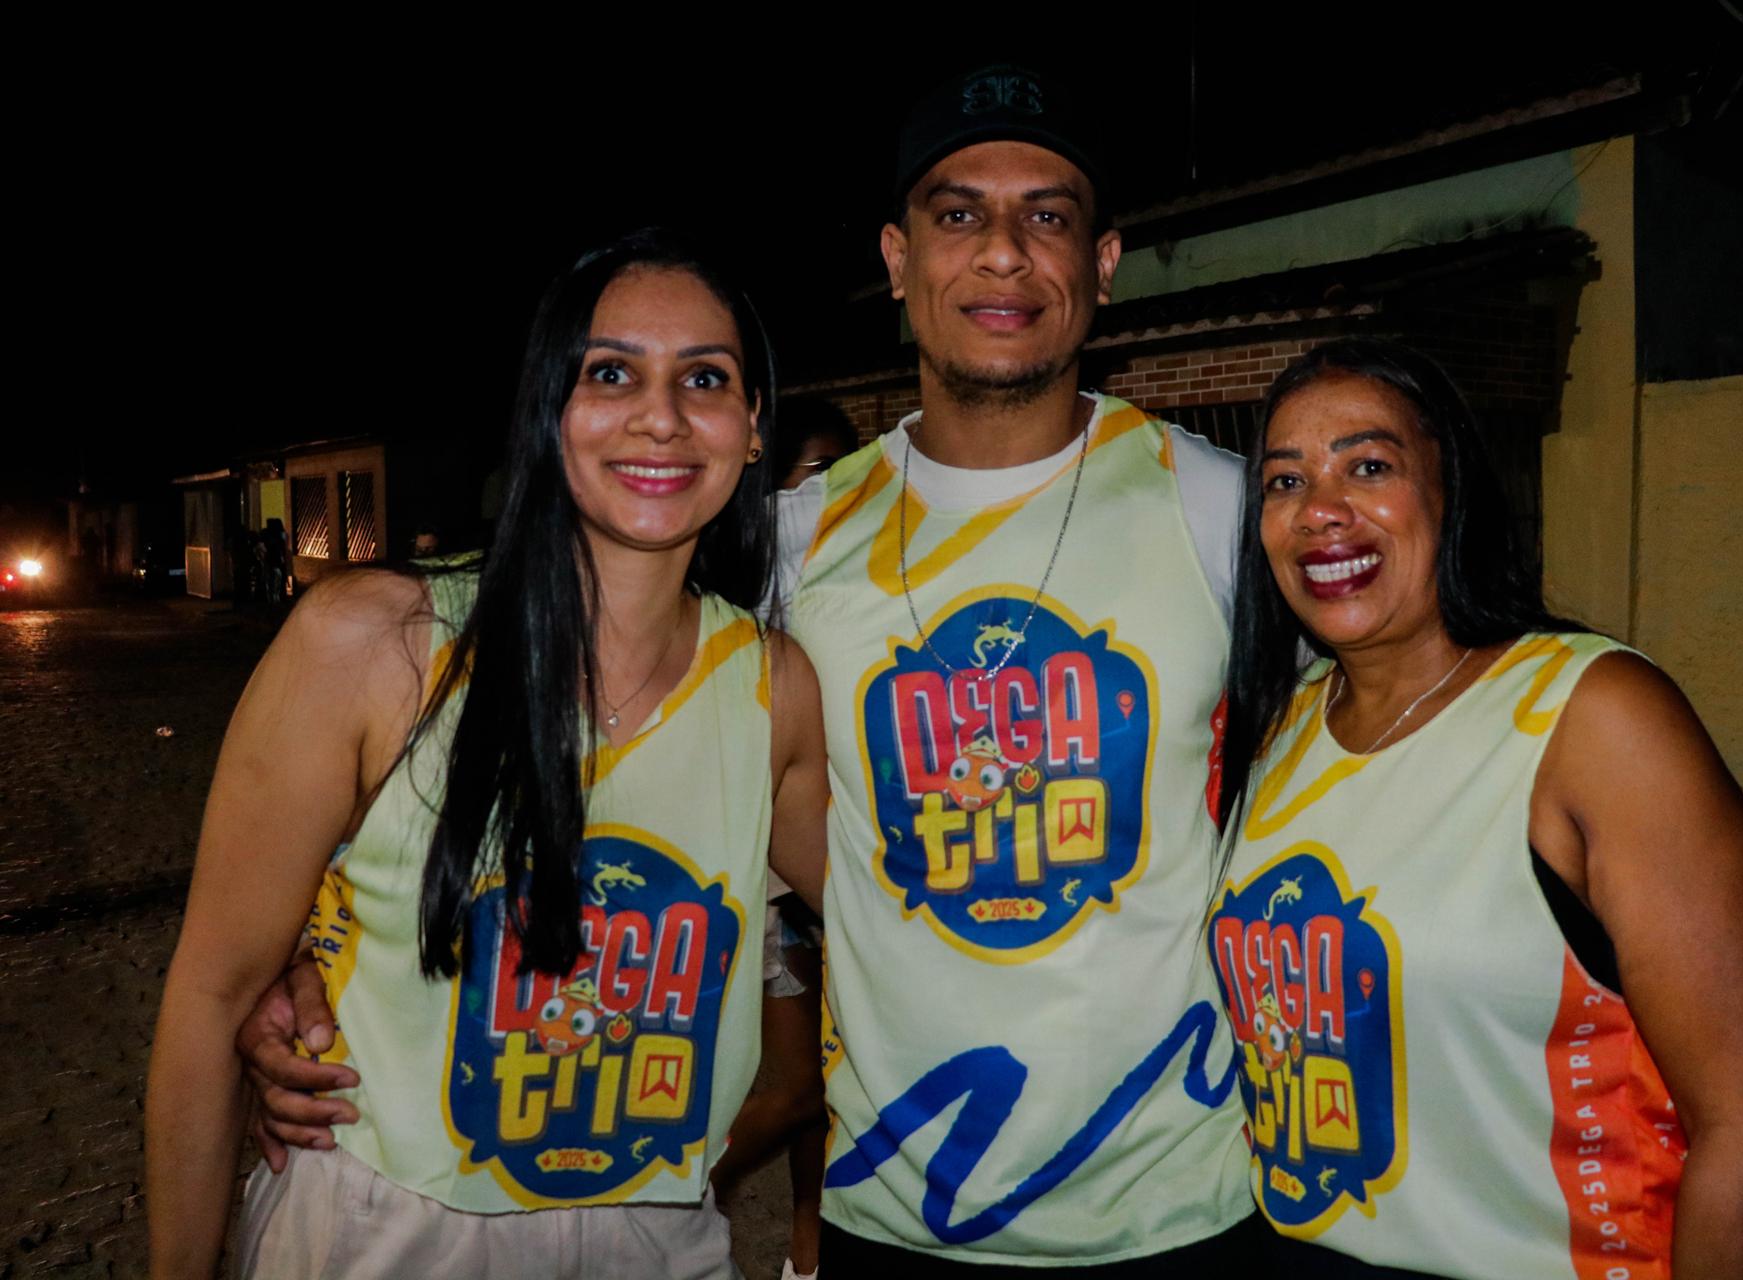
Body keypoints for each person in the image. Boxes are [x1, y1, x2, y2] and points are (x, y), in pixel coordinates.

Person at [241, 64, 1262, 1272]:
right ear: (896, 258)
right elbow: (607, 752)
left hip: (1183, 1201)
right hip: (896, 1204)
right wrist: (307, 951)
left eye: (1048, 215)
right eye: (957, 213)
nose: (1003, 251)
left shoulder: (1226, 511)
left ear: (1104, 262)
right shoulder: (784, 548)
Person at [146, 228, 829, 1280]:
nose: (661, 415)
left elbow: (903, 920)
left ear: (751, 434)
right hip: (381, 1233)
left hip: (659, 1237)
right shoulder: (379, 645)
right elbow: (210, 995)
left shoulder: (774, 690)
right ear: (549, 412)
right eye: (611, 373)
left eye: (705, 378)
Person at [1209, 338, 1743, 1278]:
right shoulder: (1278, 730)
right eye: (1285, 482)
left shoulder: (1593, 718)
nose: (1320, 509)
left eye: (1369, 466)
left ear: (1452, 490)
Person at [708, 396, 858, 1280]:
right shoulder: (754, 586)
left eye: (843, 475)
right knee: (801, 1085)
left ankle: (809, 1245)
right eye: (813, 477)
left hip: (844, 841)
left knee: (830, 1085)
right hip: (780, 862)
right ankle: (674, 1189)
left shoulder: (860, 573)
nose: (827, 496)